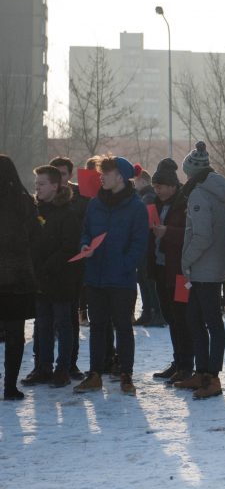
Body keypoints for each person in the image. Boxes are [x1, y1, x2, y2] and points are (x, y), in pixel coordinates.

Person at [72, 156, 149, 396]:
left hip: (122, 279)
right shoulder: (95, 203)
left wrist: (125, 265)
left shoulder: (136, 207)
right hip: (95, 276)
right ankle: (95, 374)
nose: (101, 177)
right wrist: (85, 246)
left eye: (106, 172)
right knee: (97, 327)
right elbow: (85, 232)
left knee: (123, 326)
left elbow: (139, 243)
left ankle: (126, 375)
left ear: (121, 177)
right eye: (101, 172)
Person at [173, 142, 225, 399]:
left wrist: (186, 259)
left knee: (204, 322)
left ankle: (211, 376)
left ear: (189, 171)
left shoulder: (199, 194)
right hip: (214, 266)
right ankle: (203, 371)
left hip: (201, 267)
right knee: (200, 321)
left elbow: (201, 235)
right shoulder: (219, 190)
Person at [22, 166, 80, 389]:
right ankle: (42, 367)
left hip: (61, 279)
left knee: (63, 324)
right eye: (36, 184)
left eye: (42, 184)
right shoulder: (35, 211)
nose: (37, 188)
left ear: (55, 186)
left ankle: (63, 368)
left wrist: (46, 266)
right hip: (39, 278)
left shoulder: (67, 213)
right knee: (42, 325)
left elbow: (69, 247)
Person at [148, 158, 193, 385]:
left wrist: (168, 232)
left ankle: (187, 365)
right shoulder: (154, 204)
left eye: (161, 186)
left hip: (180, 271)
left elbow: (191, 234)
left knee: (182, 318)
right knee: (170, 317)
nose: (157, 190)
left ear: (173, 186)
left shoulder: (184, 204)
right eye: (155, 186)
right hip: (160, 268)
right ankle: (178, 361)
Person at [0, 155, 41, 400]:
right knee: (15, 336)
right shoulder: (24, 202)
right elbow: (36, 237)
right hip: (18, 279)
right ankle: (10, 387)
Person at [50, 155, 90, 379]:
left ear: (70, 175)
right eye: (55, 174)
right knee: (46, 318)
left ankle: (69, 363)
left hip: (74, 265)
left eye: (63, 174)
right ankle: (43, 364)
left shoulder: (81, 198)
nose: (59, 179)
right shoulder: (45, 196)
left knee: (70, 316)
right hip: (49, 266)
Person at [132, 168, 165, 327]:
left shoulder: (148, 196)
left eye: (136, 181)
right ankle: (148, 311)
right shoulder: (143, 196)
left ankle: (155, 312)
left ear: (143, 181)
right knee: (143, 279)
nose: (134, 184)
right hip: (144, 243)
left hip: (148, 243)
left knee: (148, 279)